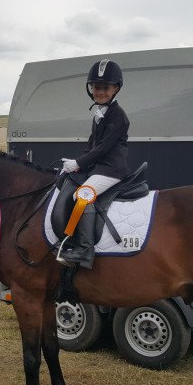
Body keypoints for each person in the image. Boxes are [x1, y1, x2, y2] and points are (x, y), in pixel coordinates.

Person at [57, 59, 130, 268]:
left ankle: (85, 250)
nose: (100, 92)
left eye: (105, 88)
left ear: (115, 89)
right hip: (99, 167)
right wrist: (75, 164)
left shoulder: (119, 116)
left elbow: (104, 148)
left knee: (82, 196)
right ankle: (69, 240)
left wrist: (79, 163)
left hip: (111, 169)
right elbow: (92, 145)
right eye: (96, 87)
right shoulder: (99, 112)